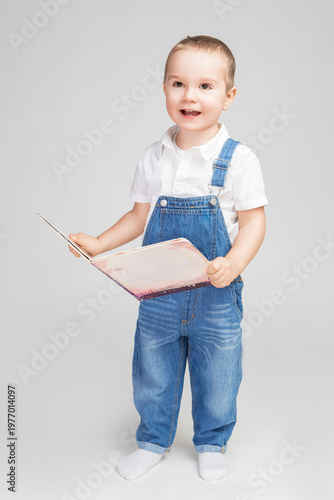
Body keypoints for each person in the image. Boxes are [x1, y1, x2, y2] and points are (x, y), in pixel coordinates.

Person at [68, 35, 268, 481]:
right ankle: (153, 439)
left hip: (216, 292)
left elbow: (254, 223)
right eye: (178, 83)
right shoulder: (153, 157)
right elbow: (140, 216)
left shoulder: (238, 160)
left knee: (218, 370)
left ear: (228, 96)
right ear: (163, 89)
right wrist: (100, 243)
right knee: (152, 369)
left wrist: (234, 263)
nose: (189, 96)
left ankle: (212, 441)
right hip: (158, 292)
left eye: (204, 86)